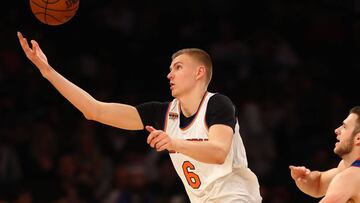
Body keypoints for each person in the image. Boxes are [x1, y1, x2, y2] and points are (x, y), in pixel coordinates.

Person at [17, 31, 262, 202]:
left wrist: (174, 143)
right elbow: (95, 110)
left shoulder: (217, 104)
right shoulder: (163, 113)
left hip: (236, 197)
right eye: (169, 69)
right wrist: (47, 71)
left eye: (177, 67)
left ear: (200, 72)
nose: (169, 74)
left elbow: (219, 152)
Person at [289, 106, 360, 203]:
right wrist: (304, 179)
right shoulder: (346, 168)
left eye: (344, 126)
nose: (336, 130)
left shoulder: (349, 177)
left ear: (358, 138)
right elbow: (319, 184)